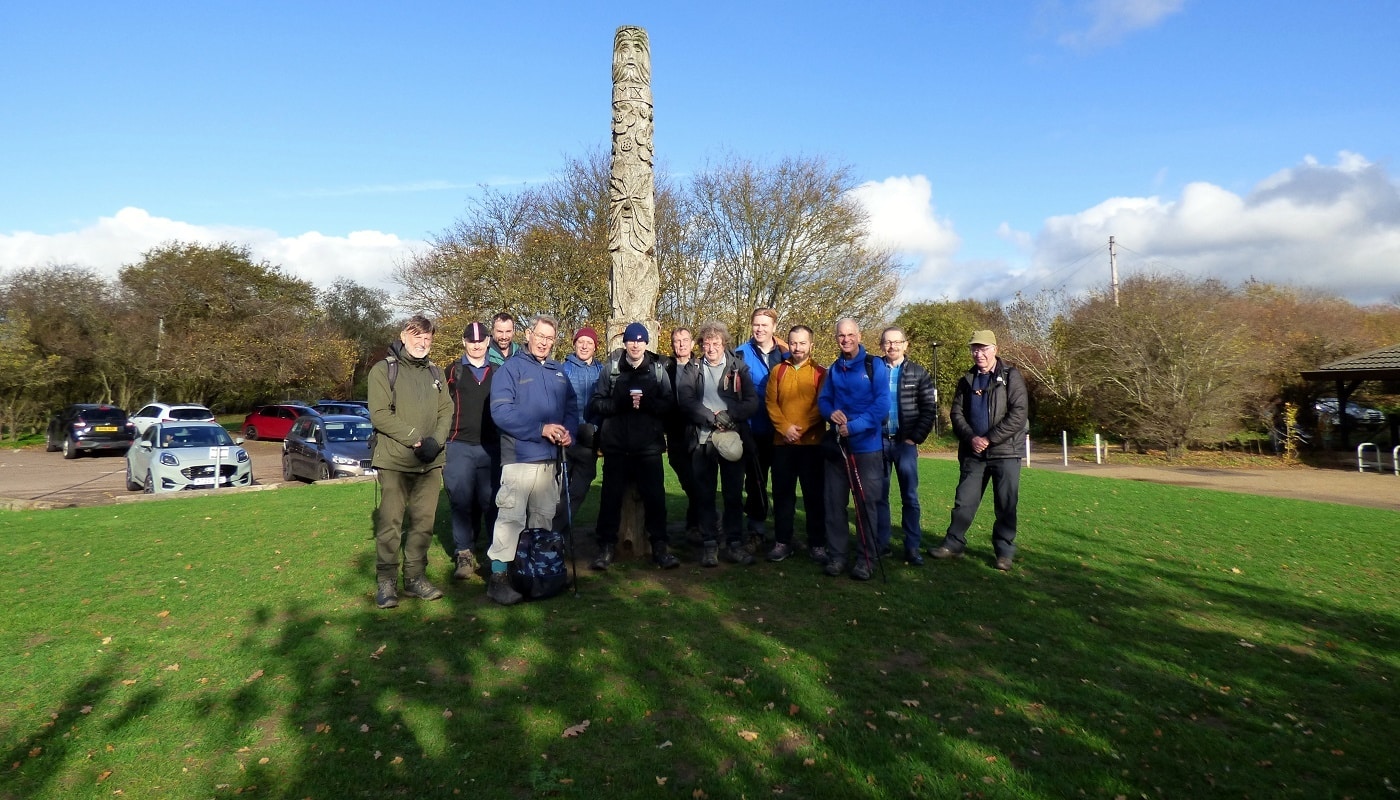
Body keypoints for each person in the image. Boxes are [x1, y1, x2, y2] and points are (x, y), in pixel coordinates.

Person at [487, 315, 578, 605]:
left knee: (543, 519)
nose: (544, 342)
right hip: (520, 457)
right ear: (528, 334)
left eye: (550, 338)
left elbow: (572, 409)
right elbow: (501, 412)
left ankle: (538, 573)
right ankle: (499, 578)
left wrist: (569, 433)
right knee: (511, 518)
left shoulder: (558, 371)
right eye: (540, 336)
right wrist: (540, 429)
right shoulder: (510, 370)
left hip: (550, 459)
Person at [368, 315, 454, 609]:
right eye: (417, 336)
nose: (422, 343)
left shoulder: (436, 373)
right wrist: (417, 439)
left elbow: (447, 412)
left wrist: (436, 442)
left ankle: (415, 578)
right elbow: (379, 414)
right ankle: (386, 581)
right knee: (390, 523)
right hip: (394, 461)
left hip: (430, 462)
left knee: (423, 524)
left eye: (428, 338)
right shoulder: (383, 370)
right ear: (404, 336)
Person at [930, 330, 1028, 571]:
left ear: (994, 349)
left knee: (1005, 504)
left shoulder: (1011, 376)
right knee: (964, 501)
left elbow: (1018, 414)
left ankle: (1004, 553)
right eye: (975, 349)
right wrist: (972, 438)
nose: (978, 353)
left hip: (1005, 452)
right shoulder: (967, 380)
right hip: (973, 453)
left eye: (983, 348)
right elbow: (956, 414)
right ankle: (953, 544)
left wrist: (989, 438)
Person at [588, 322, 678, 570]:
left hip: (648, 448)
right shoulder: (612, 370)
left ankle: (659, 547)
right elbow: (597, 403)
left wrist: (649, 403)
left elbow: (669, 405)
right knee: (610, 500)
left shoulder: (658, 371)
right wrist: (618, 404)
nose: (636, 345)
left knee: (655, 500)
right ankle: (605, 548)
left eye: (640, 340)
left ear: (646, 343)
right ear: (625, 343)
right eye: (631, 340)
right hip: (617, 447)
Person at [677, 320, 759, 567]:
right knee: (705, 496)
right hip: (702, 440)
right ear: (701, 345)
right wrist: (711, 417)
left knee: (733, 495)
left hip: (732, 439)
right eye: (707, 343)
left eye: (716, 343)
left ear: (724, 344)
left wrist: (730, 415)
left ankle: (734, 544)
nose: (711, 348)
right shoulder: (692, 368)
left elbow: (752, 401)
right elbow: (686, 401)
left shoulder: (739, 368)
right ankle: (710, 545)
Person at [817, 318, 890, 581]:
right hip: (838, 448)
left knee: (865, 506)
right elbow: (823, 400)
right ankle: (837, 557)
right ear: (836, 337)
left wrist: (855, 426)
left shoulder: (875, 365)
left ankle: (865, 559)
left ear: (859, 336)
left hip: (867, 448)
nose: (845, 339)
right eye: (841, 335)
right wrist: (830, 413)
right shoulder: (834, 369)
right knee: (834, 505)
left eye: (850, 334)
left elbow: (882, 405)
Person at [764, 324, 827, 563]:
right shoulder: (778, 371)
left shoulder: (821, 373)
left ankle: (818, 544)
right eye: (793, 343)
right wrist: (785, 429)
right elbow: (771, 403)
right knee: (783, 497)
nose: (797, 348)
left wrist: (798, 429)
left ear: (811, 345)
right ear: (787, 344)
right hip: (782, 444)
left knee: (813, 497)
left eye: (802, 343)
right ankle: (782, 542)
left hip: (812, 444)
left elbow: (822, 405)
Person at [876, 326, 938, 565]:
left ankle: (912, 547)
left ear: (905, 344)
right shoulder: (873, 370)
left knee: (909, 497)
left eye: (896, 342)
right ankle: (882, 544)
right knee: (880, 497)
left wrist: (915, 438)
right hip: (879, 442)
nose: (892, 346)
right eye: (887, 342)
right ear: (881, 345)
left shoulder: (918, 373)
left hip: (905, 444)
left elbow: (928, 409)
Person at [444, 321, 500, 581]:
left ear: (488, 341)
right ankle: (464, 552)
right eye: (471, 340)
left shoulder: (499, 372)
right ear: (464, 342)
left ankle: (494, 554)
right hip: (459, 445)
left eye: (480, 340)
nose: (476, 345)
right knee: (461, 500)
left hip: (490, 446)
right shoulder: (452, 371)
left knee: (492, 502)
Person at [735, 308, 787, 547]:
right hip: (752, 429)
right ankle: (756, 530)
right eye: (756, 324)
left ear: (774, 327)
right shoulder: (740, 354)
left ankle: (783, 533)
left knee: (782, 483)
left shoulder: (786, 353)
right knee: (755, 482)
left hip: (781, 430)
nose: (760, 329)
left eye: (765, 325)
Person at [553, 326, 603, 534]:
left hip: (589, 440)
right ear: (574, 344)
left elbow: (605, 403)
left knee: (580, 489)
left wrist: (597, 430)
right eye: (580, 342)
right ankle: (555, 535)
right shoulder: (563, 369)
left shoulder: (602, 371)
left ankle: (558, 529)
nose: (584, 346)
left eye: (589, 343)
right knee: (560, 490)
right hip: (566, 438)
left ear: (595, 347)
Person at [664, 326, 701, 540]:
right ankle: (701, 520)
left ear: (692, 343)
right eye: (677, 341)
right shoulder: (665, 366)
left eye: (685, 340)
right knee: (687, 479)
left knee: (699, 479)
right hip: (675, 432)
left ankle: (695, 524)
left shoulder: (701, 366)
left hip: (697, 430)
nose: (681, 344)